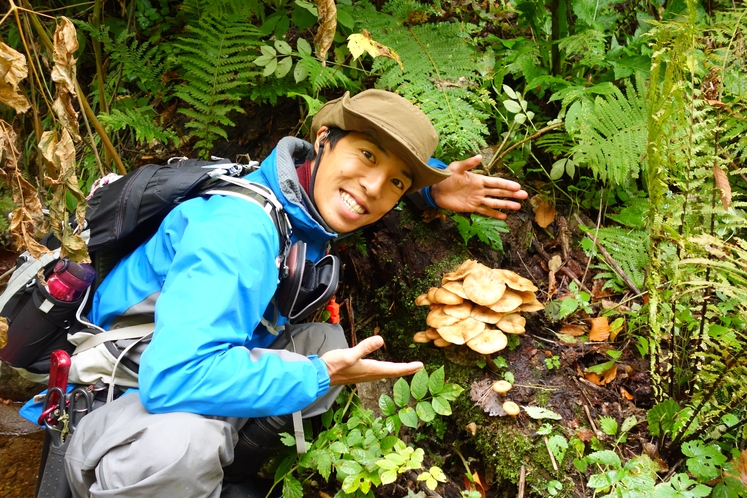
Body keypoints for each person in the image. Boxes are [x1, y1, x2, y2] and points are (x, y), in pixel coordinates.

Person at [61, 89, 527, 497]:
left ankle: (226, 477)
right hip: (121, 401)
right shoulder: (239, 230)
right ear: (323, 139)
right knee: (183, 444)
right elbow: (173, 380)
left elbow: (375, 180)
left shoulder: (294, 194)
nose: (373, 188)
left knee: (325, 343)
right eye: (366, 155)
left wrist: (431, 188)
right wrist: (317, 377)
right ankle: (181, 475)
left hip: (196, 361)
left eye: (397, 182)